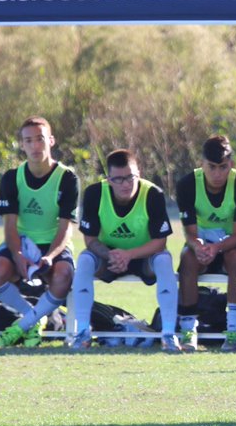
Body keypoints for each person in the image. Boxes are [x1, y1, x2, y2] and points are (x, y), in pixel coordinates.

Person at [72, 149, 180, 351]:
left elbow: (160, 242)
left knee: (164, 259)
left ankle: (168, 334)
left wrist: (128, 255)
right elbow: (90, 240)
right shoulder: (95, 193)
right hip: (109, 257)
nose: (125, 184)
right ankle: (83, 333)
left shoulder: (152, 194)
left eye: (130, 177)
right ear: (108, 179)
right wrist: (110, 254)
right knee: (85, 260)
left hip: (142, 256)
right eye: (118, 179)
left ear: (138, 173)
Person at [0, 117, 80, 349]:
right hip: (22, 242)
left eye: (40, 139)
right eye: (28, 140)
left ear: (51, 140)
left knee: (63, 276)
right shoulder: (11, 177)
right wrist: (18, 255)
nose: (35, 146)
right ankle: (34, 318)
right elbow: (9, 226)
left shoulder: (67, 178)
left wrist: (49, 257)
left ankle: (23, 325)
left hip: (54, 244)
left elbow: (66, 227)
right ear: (22, 145)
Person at [175, 135, 236, 352]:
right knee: (187, 260)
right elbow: (190, 233)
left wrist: (217, 247)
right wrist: (199, 246)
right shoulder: (187, 185)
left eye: (223, 167)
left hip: (233, 243)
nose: (218, 174)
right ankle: (189, 329)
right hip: (203, 243)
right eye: (212, 167)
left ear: (232, 164)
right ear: (201, 164)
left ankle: (234, 328)